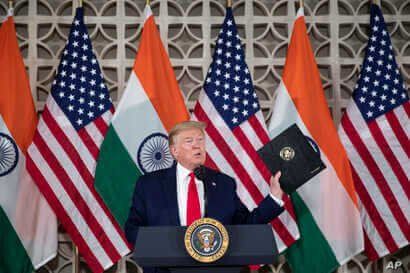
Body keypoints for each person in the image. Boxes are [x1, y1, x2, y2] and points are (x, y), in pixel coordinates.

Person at [124, 121, 285, 271]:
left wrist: (274, 197)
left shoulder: (223, 183)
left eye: (200, 140)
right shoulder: (150, 185)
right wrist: (164, 245)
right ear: (174, 151)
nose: (197, 146)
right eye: (189, 141)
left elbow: (245, 225)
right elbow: (133, 229)